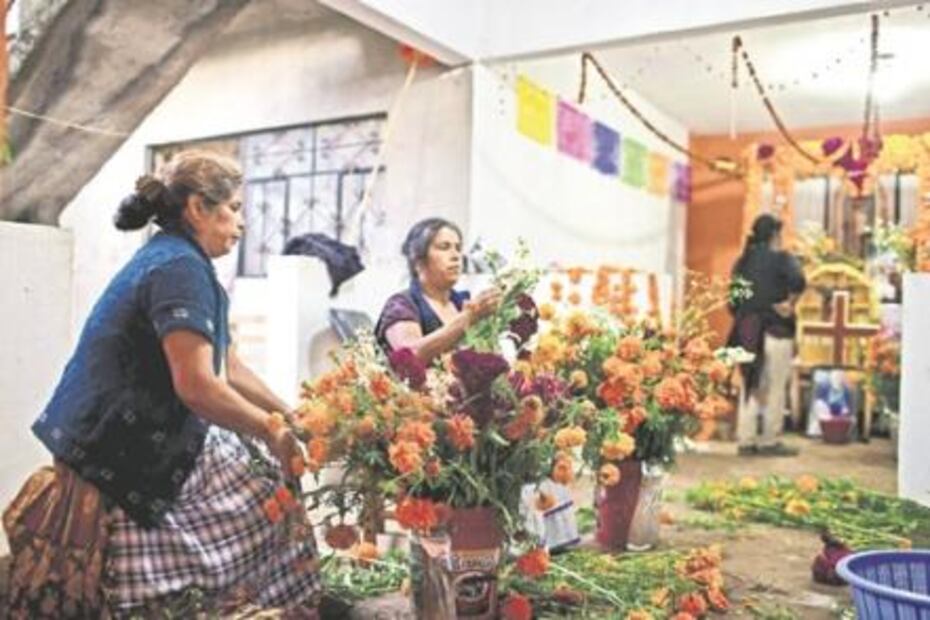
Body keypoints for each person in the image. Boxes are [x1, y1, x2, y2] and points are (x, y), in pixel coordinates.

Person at [4, 150, 321, 618]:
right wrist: (271, 431)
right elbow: (197, 386)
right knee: (269, 492)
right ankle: (220, 602)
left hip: (109, 429)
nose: (242, 223)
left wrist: (289, 417)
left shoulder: (177, 259)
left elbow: (229, 366)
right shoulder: (179, 268)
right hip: (116, 444)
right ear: (197, 208)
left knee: (258, 471)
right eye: (234, 208)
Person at [728, 213, 806, 456]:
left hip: (747, 334)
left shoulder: (742, 262)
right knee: (775, 388)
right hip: (776, 331)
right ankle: (769, 440)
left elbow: (733, 303)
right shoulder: (783, 259)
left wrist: (751, 311)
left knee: (750, 385)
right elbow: (799, 281)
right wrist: (789, 303)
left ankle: (746, 440)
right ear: (774, 235)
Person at [375, 217, 501, 363]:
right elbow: (409, 355)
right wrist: (468, 318)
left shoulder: (462, 302)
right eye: (444, 247)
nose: (456, 256)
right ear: (418, 260)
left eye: (458, 248)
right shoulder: (401, 305)